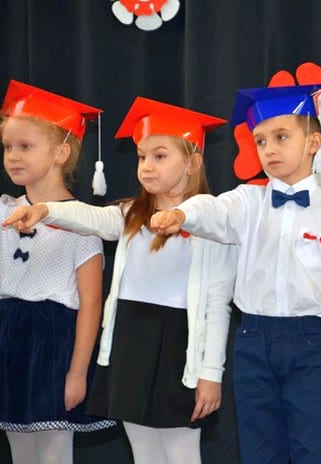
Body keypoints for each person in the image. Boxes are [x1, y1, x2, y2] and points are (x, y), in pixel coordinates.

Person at [4, 97, 237, 464]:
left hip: (179, 346)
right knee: (143, 450)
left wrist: (211, 373)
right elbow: (90, 217)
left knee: (180, 452)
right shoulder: (130, 215)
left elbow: (217, 304)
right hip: (131, 339)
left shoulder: (212, 225)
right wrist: (46, 210)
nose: (147, 166)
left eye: (160, 156)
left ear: (192, 163)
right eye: (142, 157)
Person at [149, 84, 321, 464]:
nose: (269, 149)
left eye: (281, 137)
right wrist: (183, 214)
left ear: (314, 143)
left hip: (313, 343)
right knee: (259, 451)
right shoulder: (247, 201)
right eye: (261, 140)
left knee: (314, 450)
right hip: (254, 340)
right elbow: (213, 210)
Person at [0, 80, 114, 464]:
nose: (13, 156)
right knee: (20, 450)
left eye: (25, 146)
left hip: (51, 343)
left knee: (53, 451)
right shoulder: (3, 211)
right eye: (7, 147)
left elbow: (91, 303)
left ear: (61, 152)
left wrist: (77, 372)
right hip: (10, 337)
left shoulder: (83, 225)